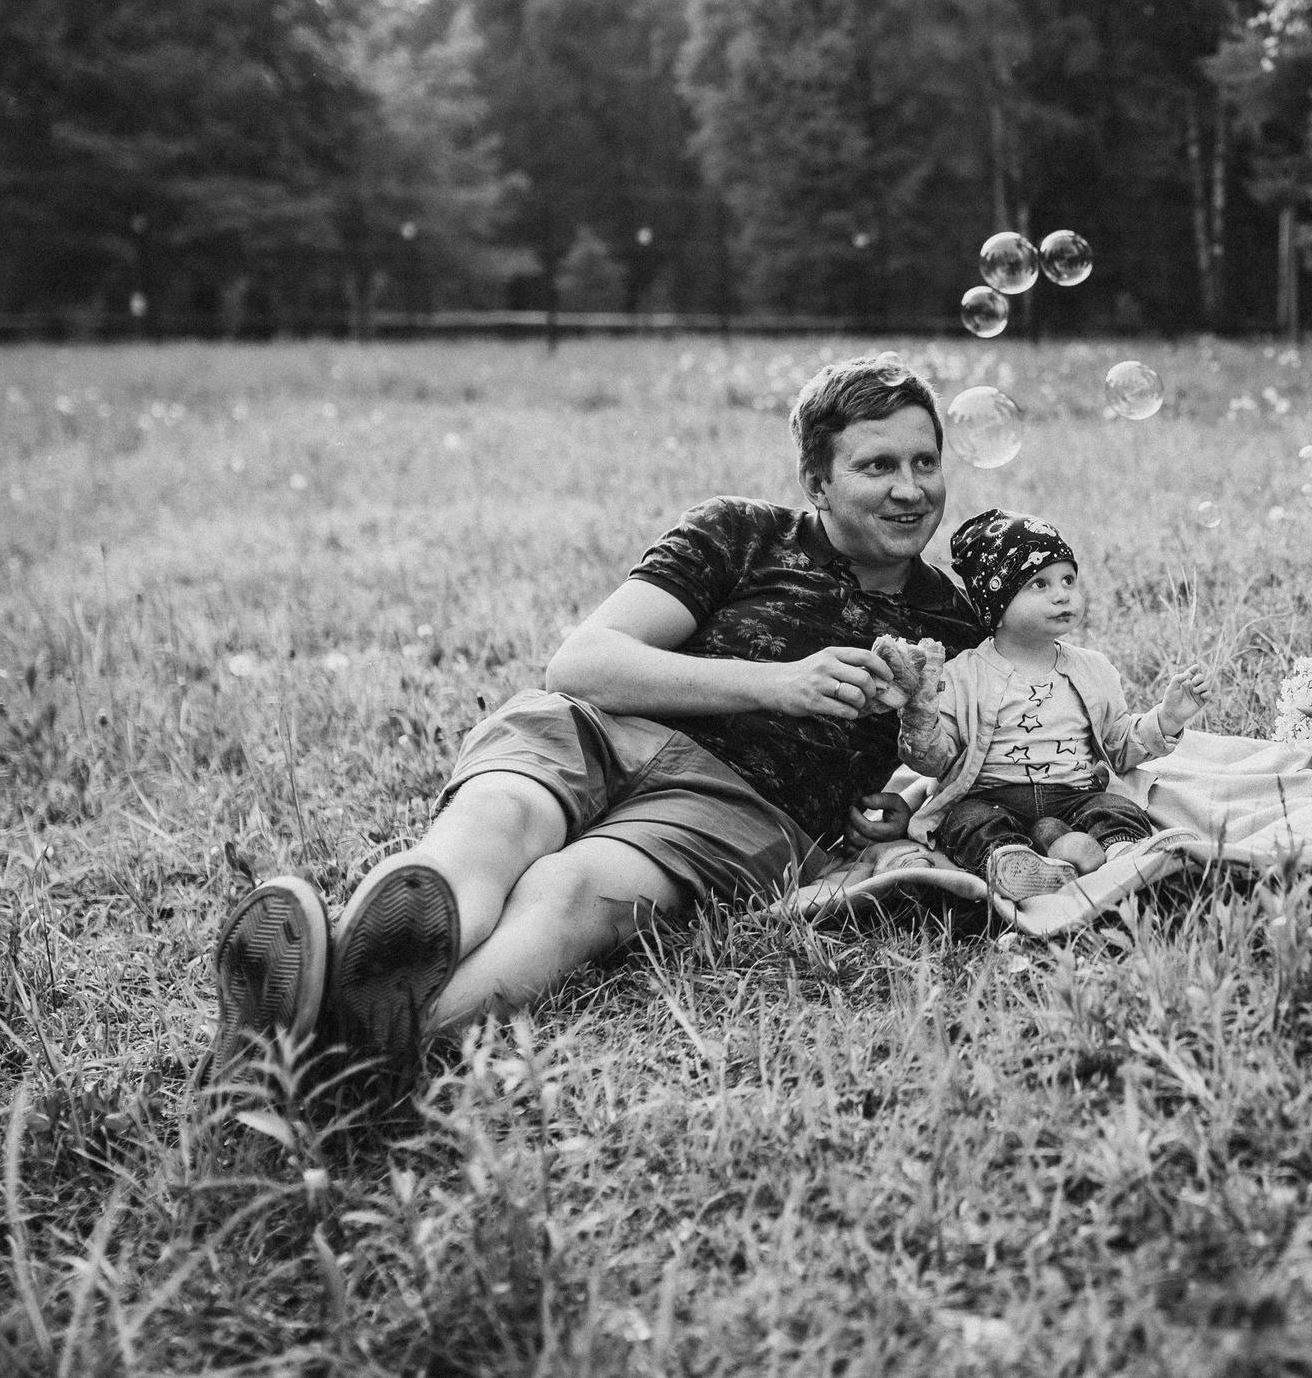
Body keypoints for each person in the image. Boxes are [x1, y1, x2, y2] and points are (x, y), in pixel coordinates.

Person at [196, 355, 987, 1101]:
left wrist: (899, 800)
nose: (910, 489)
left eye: (925, 462)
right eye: (878, 466)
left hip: (737, 806)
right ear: (817, 480)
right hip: (600, 728)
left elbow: (959, 755)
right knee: (497, 821)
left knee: (571, 892)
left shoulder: (953, 625)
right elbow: (582, 662)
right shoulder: (741, 533)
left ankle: (320, 1048)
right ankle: (367, 967)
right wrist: (778, 684)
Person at [870, 509, 1211, 900]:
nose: (1062, 594)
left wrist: (1167, 718)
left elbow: (1118, 746)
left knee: (1114, 807)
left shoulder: (1093, 669)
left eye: (1068, 580)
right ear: (996, 606)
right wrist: (920, 711)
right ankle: (1010, 861)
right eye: (1039, 584)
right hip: (992, 798)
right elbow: (934, 761)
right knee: (967, 821)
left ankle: (1126, 852)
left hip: (1074, 794)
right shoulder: (961, 675)